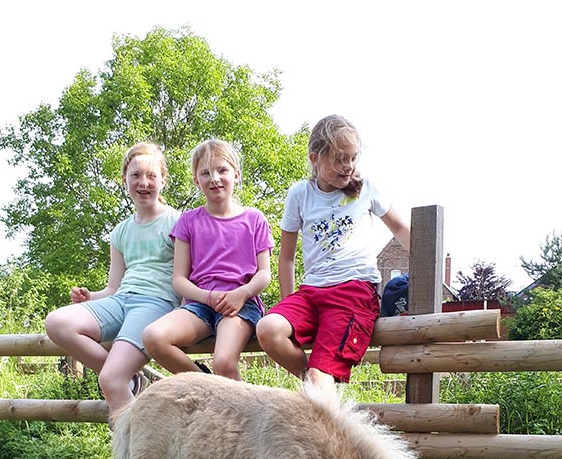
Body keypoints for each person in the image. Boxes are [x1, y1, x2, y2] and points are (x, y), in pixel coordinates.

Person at [256, 114, 410, 390]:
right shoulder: (299, 194)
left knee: (319, 377)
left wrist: (427, 263)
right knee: (268, 329)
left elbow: (399, 229)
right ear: (315, 159)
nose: (347, 166)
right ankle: (317, 391)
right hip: (311, 292)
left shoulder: (365, 190)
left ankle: (318, 389)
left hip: (353, 290)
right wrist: (289, 306)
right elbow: (287, 258)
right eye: (339, 159)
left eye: (352, 158)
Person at [45, 141, 180, 416]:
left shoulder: (178, 223)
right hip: (121, 301)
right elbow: (114, 287)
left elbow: (185, 278)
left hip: (156, 303)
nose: (144, 182)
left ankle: (131, 452)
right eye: (136, 175)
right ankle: (129, 378)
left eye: (152, 176)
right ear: (124, 179)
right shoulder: (120, 232)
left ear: (163, 180)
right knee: (57, 321)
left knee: (109, 379)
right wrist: (90, 297)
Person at [142, 139, 272, 380]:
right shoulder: (189, 221)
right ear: (196, 180)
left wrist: (241, 294)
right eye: (205, 173)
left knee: (223, 362)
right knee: (153, 337)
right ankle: (204, 384)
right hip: (199, 304)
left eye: (222, 170)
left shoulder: (254, 219)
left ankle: (242, 416)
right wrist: (207, 297)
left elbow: (264, 274)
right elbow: (179, 279)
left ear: (236, 174)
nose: (214, 178)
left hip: (240, 304)